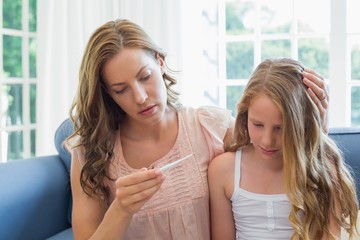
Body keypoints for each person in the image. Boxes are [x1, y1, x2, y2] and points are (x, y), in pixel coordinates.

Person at [66, 19, 329, 240]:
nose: (140, 97)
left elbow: (282, 163)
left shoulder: (211, 127)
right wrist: (121, 209)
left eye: (145, 77)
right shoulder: (92, 152)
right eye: (121, 89)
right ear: (107, 94)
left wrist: (317, 125)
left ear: (160, 63)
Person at [208, 58, 358, 240]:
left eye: (281, 127)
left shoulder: (323, 169)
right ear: (244, 115)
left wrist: (317, 133)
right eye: (257, 124)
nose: (268, 140)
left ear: (302, 124)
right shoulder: (223, 170)